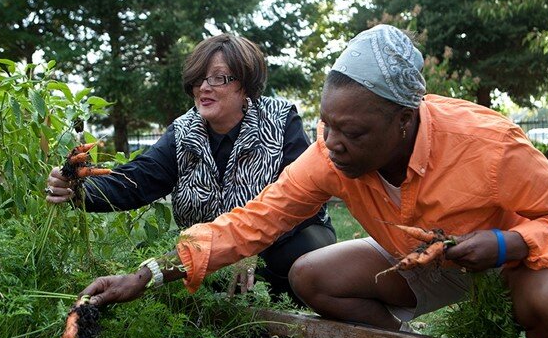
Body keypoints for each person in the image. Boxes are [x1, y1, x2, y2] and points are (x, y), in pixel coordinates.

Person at [79, 25, 548, 338]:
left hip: (509, 264)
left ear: (404, 121)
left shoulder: (486, 144)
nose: (333, 144)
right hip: (418, 262)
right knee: (311, 277)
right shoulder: (328, 152)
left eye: (353, 133)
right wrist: (147, 274)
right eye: (327, 125)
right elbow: (251, 222)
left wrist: (507, 244)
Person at [46, 33, 335, 299]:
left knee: (305, 253)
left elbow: (304, 203)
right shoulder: (184, 132)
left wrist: (251, 249)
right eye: (198, 79)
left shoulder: (279, 120)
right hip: (212, 251)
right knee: (160, 259)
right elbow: (138, 180)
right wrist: (78, 188)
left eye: (218, 78)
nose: (204, 88)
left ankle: (288, 309)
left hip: (279, 246)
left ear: (245, 85)